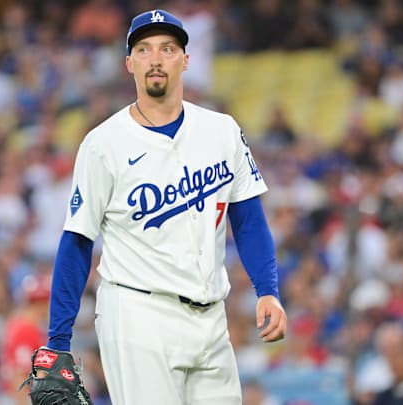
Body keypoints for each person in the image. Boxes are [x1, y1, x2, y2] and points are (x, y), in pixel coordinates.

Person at [41, 9, 287, 404]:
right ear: (129, 63)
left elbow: (248, 218)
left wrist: (268, 290)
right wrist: (58, 340)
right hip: (138, 315)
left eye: (168, 48)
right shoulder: (103, 144)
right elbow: (77, 241)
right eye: (144, 49)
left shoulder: (221, 131)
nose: (156, 58)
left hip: (211, 318)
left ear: (185, 60)